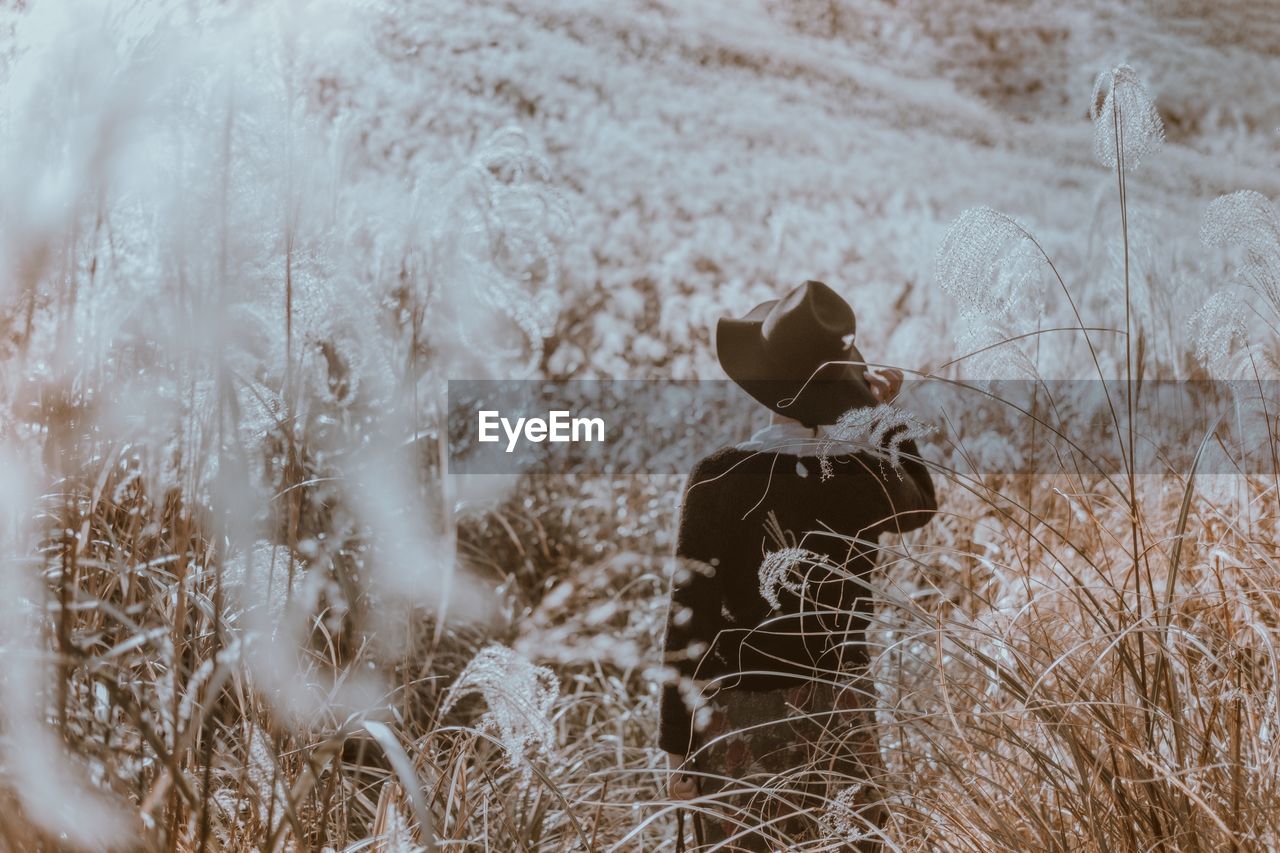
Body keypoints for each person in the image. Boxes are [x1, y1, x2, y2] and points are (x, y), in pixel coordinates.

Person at [659, 280, 937, 850]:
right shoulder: (866, 477)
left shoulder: (717, 478)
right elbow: (922, 503)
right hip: (841, 706)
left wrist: (677, 742)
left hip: (739, 715)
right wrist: (885, 418)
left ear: (764, 385)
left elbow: (689, 617)